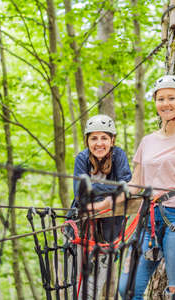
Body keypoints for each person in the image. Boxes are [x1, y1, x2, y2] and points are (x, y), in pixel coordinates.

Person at [94, 75, 175, 299]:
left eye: (171, 98)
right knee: (127, 288)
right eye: (160, 98)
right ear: (155, 103)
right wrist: (103, 205)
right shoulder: (147, 142)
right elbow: (134, 185)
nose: (166, 103)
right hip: (149, 222)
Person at [69, 114, 132, 299]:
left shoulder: (118, 155)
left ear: (112, 140)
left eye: (104, 138)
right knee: (74, 281)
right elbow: (80, 194)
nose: (99, 143)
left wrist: (95, 188)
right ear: (87, 141)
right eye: (94, 138)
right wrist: (114, 191)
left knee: (95, 283)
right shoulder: (82, 158)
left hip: (109, 231)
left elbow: (127, 186)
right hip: (82, 228)